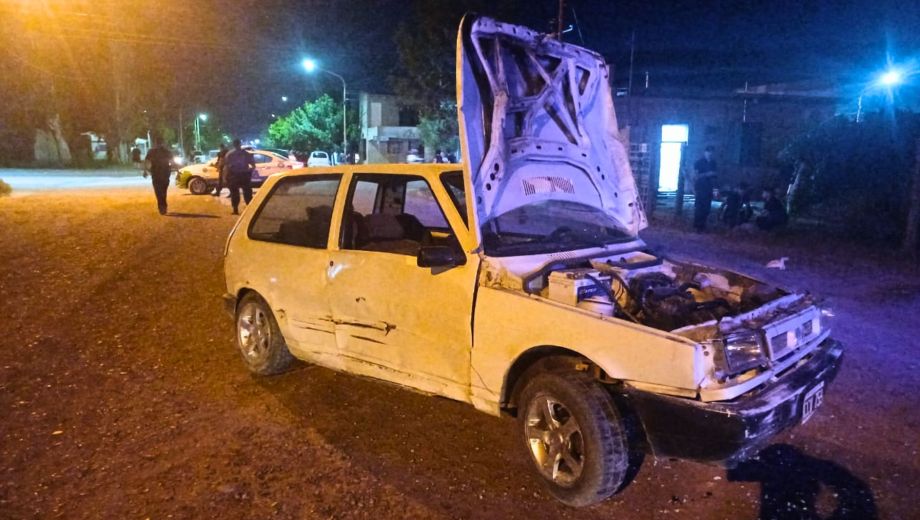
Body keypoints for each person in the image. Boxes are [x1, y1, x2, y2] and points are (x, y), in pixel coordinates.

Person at [222, 139, 255, 215]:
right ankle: (250, 210)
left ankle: (235, 210)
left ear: (233, 145)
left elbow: (226, 167)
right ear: (240, 144)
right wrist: (249, 171)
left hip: (233, 176)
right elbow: (253, 165)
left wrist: (224, 177)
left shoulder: (229, 154)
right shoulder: (246, 153)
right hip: (244, 175)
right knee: (247, 193)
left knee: (234, 193)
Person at [143, 137, 173, 215]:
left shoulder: (151, 151)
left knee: (158, 192)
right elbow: (172, 162)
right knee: (163, 191)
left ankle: (161, 207)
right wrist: (176, 170)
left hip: (156, 174)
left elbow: (146, 161)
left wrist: (145, 171)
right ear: (163, 143)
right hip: (165, 174)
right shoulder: (167, 152)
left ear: (155, 143)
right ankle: (163, 207)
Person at [693, 145, 718, 232]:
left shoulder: (713, 163)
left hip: (709, 188)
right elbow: (695, 176)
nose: (710, 154)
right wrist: (707, 174)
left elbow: (715, 177)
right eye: (708, 152)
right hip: (700, 187)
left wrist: (715, 190)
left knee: (707, 207)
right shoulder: (699, 163)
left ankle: (703, 225)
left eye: (711, 152)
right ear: (705, 152)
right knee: (699, 207)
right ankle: (698, 226)